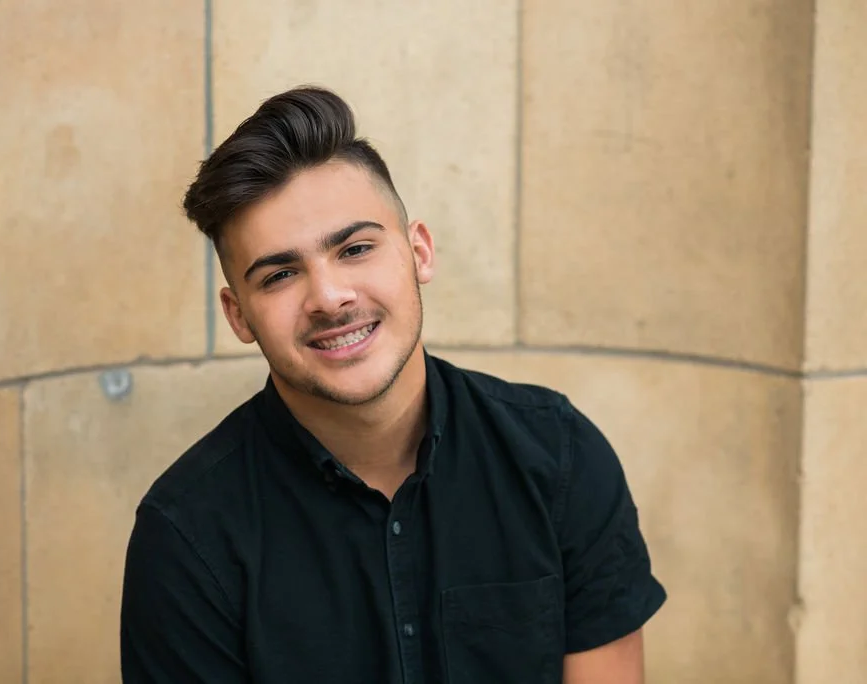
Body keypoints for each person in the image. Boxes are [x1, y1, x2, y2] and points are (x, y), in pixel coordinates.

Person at [120, 86, 667, 684]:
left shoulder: (558, 458)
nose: (329, 298)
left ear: (419, 251)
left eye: (355, 248)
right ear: (239, 316)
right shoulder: (186, 536)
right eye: (279, 275)